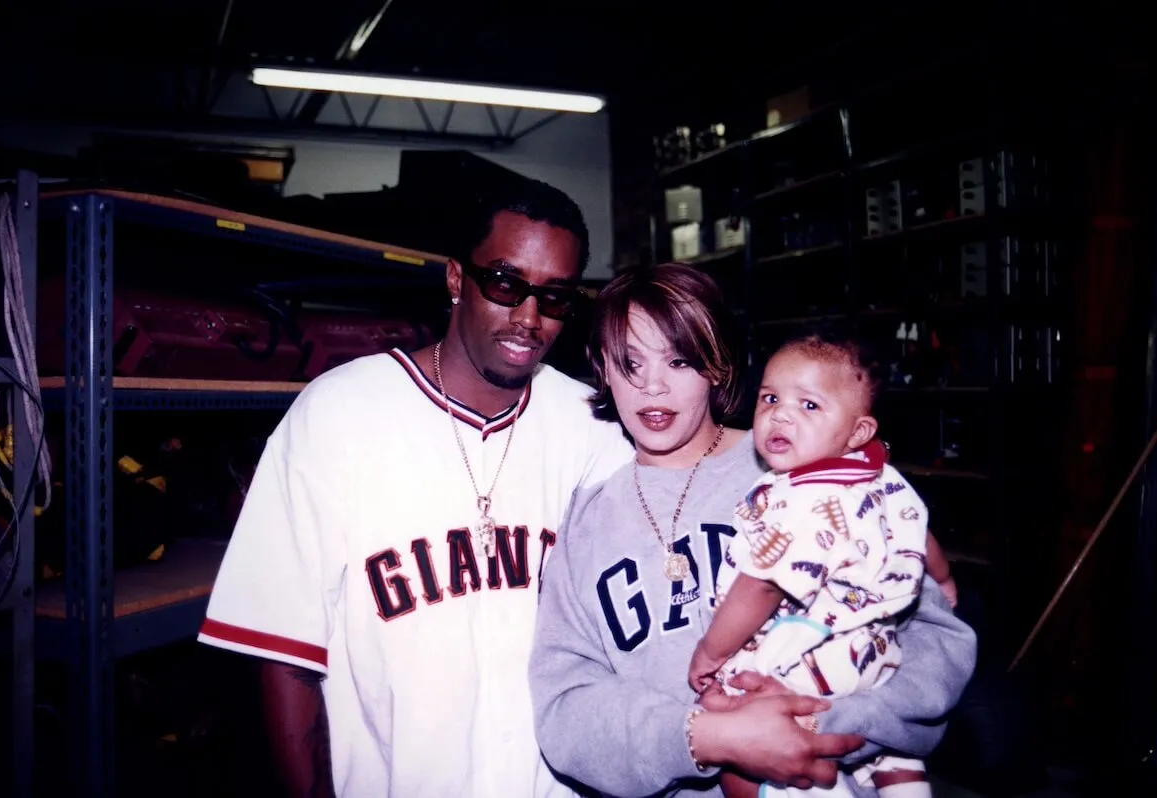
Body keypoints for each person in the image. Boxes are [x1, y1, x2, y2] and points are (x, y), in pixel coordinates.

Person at [196, 176, 636, 798]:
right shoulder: (338, 414)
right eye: (506, 284)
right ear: (457, 279)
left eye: (555, 297)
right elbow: (283, 657)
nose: (529, 318)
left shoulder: (594, 427)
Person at [529, 263, 977, 798]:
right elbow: (566, 709)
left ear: (716, 364)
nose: (652, 385)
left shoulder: (807, 466)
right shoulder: (587, 517)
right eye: (630, 362)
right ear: (602, 366)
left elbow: (935, 639)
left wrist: (818, 726)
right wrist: (709, 738)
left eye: (679, 360)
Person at [687, 331, 954, 798]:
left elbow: (762, 586)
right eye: (770, 397)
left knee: (731, 720)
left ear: (858, 431)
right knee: (886, 749)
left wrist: (712, 651)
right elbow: (916, 528)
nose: (780, 414)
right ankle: (900, 778)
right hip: (876, 655)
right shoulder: (879, 475)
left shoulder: (803, 499)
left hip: (812, 655)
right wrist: (944, 580)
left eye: (809, 405)